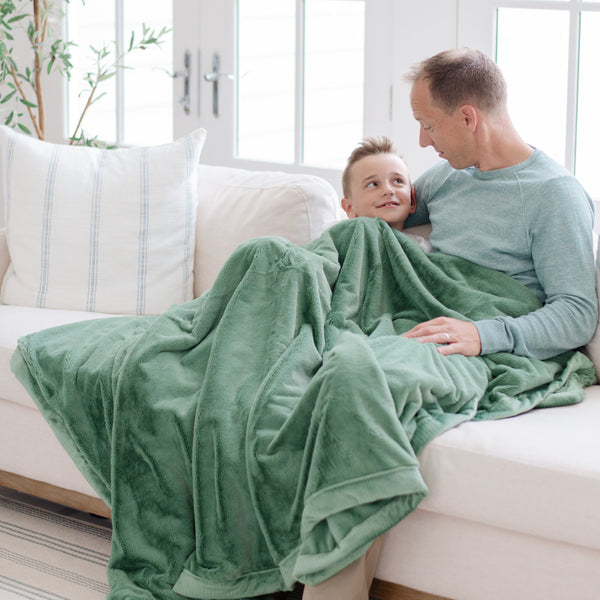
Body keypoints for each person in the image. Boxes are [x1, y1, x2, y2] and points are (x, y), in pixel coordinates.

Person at [402, 47, 597, 360]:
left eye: (428, 125)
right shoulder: (445, 177)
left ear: (468, 118)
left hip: (474, 348)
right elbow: (381, 229)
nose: (423, 141)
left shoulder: (554, 194)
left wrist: (483, 335)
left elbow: (577, 314)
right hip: (418, 324)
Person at [340, 135, 432, 253]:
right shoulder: (341, 242)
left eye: (397, 181)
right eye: (372, 184)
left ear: (412, 201)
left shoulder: (421, 248)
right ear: (349, 208)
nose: (388, 190)